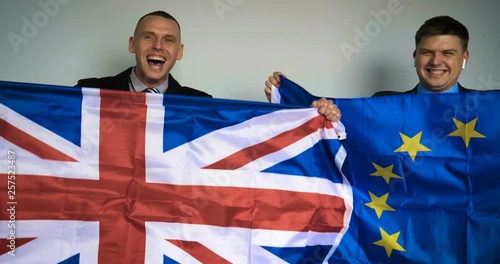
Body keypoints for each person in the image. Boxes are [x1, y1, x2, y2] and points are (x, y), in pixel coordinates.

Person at [264, 16, 475, 99]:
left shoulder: (489, 109)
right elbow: (345, 140)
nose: (436, 61)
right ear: (415, 56)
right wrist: (291, 99)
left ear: (464, 58)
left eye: (448, 53)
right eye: (427, 52)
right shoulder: (383, 102)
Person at [76, 11, 211, 97]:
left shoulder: (201, 105)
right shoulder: (88, 92)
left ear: (179, 52)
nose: (158, 46)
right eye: (149, 37)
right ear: (132, 44)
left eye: (168, 40)